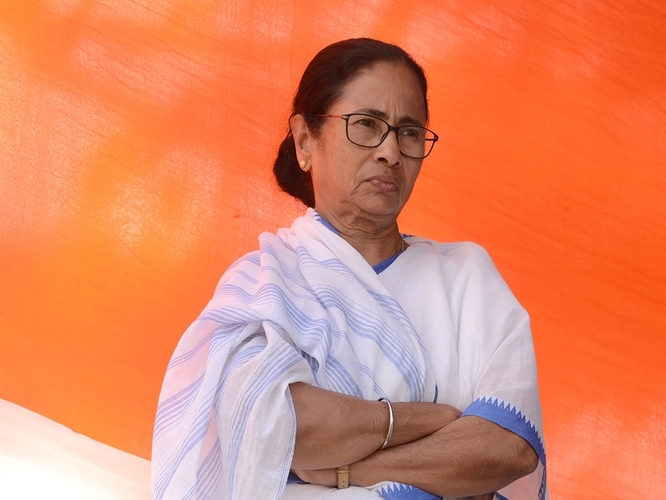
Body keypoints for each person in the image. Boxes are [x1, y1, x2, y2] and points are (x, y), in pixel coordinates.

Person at [152, 38, 547, 500]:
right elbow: (275, 426)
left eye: (409, 132)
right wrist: (429, 421)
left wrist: (347, 468)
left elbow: (507, 447)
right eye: (366, 124)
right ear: (305, 140)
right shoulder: (264, 282)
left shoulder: (467, 278)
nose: (390, 152)